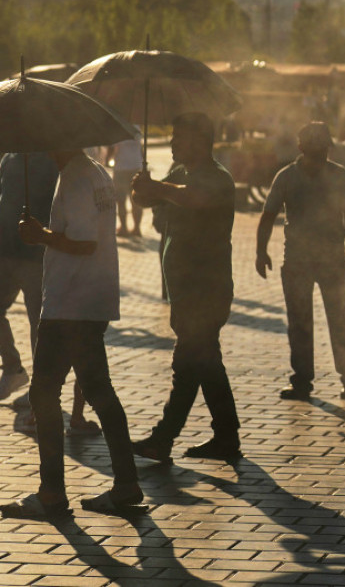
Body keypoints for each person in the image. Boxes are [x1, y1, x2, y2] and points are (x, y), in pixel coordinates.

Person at [0, 147, 142, 518]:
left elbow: (84, 243)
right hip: (89, 299)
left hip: (70, 304)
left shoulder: (77, 178)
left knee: (44, 395)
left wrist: (41, 235)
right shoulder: (96, 172)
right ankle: (125, 484)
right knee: (100, 392)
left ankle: (51, 494)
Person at [129, 112, 241, 463]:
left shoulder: (217, 178)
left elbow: (194, 198)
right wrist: (141, 187)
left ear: (200, 140)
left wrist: (157, 189)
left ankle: (163, 439)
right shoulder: (179, 173)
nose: (174, 142)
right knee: (205, 363)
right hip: (185, 289)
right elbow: (151, 198)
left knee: (188, 362)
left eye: (180, 136)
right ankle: (226, 435)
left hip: (206, 289)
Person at [255, 122, 345, 402]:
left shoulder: (337, 176)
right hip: (299, 261)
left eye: (323, 149)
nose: (320, 155)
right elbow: (268, 215)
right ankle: (304, 380)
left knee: (338, 320)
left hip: (330, 260)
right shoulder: (288, 177)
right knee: (302, 322)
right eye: (316, 150)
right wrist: (260, 250)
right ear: (302, 148)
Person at [0, 152, 98, 435]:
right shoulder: (9, 158)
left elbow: (63, 208)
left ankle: (38, 397)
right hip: (5, 250)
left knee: (38, 325)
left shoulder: (52, 160)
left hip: (36, 254)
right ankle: (13, 369)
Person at [106, 128, 144, 237]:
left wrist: (107, 160)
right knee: (136, 200)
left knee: (121, 200)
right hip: (136, 166)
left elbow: (111, 148)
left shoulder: (117, 128)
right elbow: (141, 149)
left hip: (121, 168)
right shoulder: (137, 128)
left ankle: (124, 228)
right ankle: (137, 228)